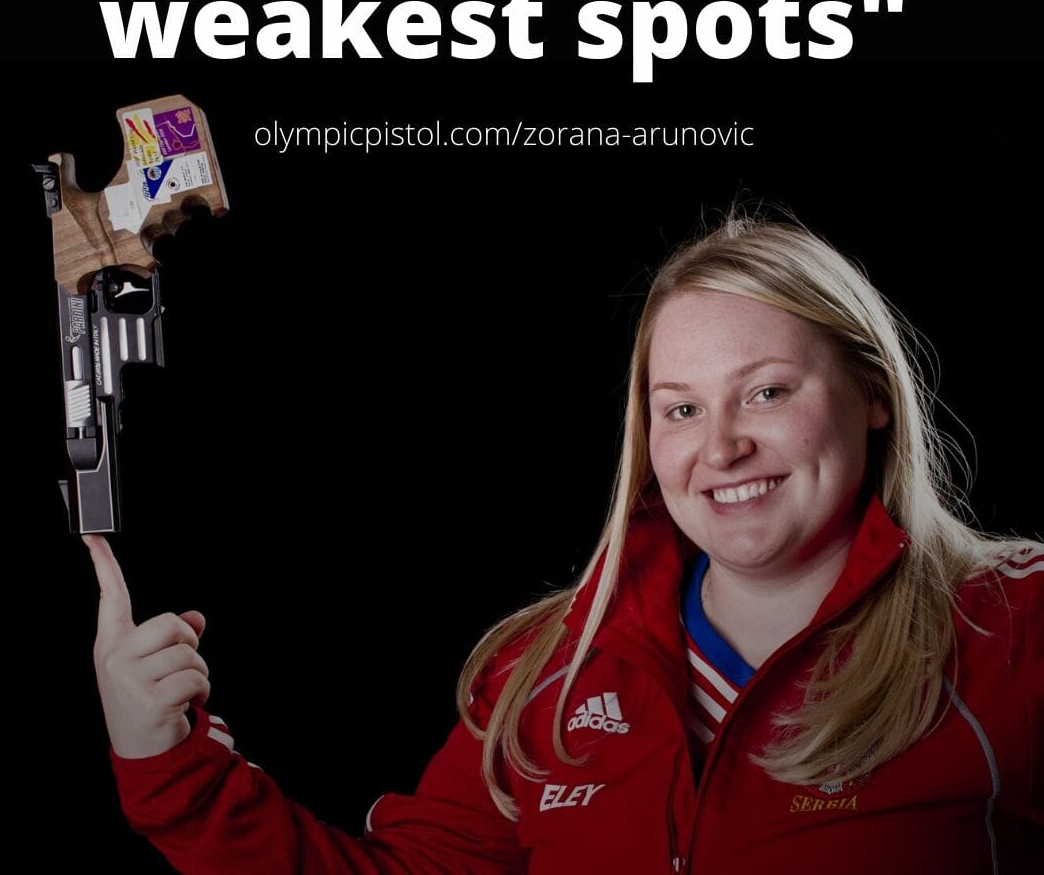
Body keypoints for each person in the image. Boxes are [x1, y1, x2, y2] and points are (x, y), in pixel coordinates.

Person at [83, 210, 1043, 873]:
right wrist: (169, 768)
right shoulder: (548, 669)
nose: (722, 446)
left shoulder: (1018, 628)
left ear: (874, 396)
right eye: (680, 408)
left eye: (768, 392)